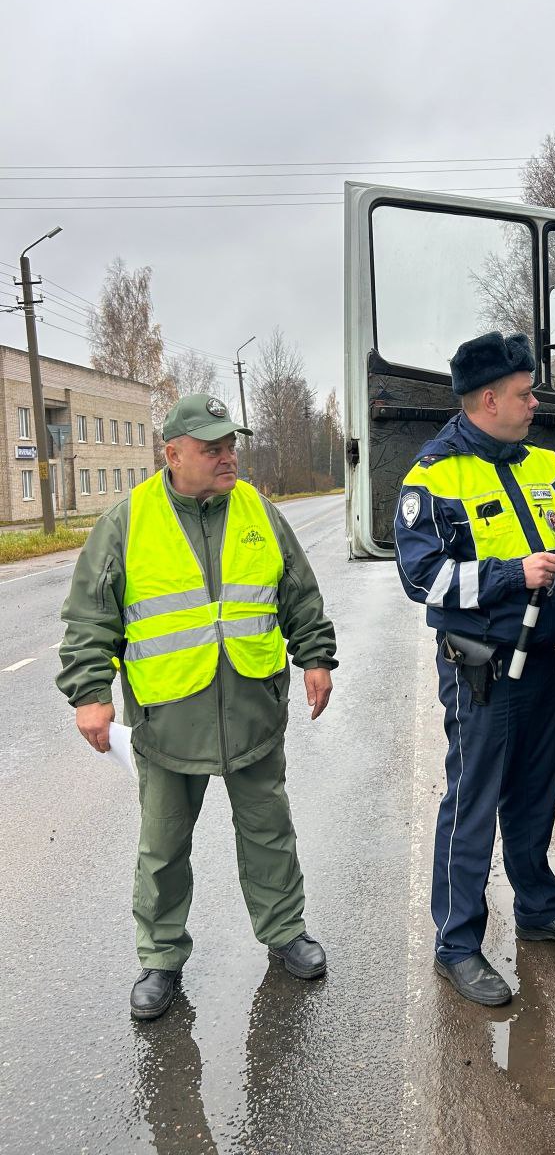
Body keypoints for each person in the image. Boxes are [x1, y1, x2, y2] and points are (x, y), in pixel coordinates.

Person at [57, 393, 338, 1021]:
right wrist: (91, 695)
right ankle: (159, 959)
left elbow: (297, 592)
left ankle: (285, 932)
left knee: (269, 831)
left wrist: (315, 657)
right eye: (212, 448)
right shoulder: (129, 521)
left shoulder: (258, 510)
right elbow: (90, 617)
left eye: (230, 446)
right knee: (162, 848)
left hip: (252, 708)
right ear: (173, 454)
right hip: (168, 717)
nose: (227, 458)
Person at [395, 331, 555, 1006]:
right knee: (473, 801)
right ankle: (457, 944)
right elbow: (421, 580)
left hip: (539, 660)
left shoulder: (540, 463)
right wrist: (511, 575)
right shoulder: (434, 475)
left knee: (536, 792)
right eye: (523, 393)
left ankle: (538, 910)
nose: (534, 402)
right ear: (488, 399)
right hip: (480, 668)